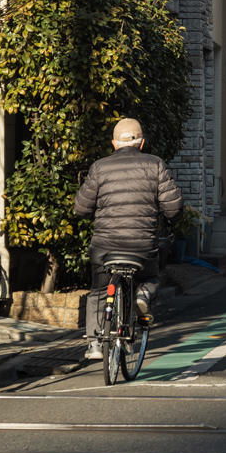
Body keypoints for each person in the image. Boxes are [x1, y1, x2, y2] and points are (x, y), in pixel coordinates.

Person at [73, 118, 183, 361]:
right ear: (142, 143)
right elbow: (173, 208)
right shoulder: (155, 165)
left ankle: (93, 344)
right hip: (141, 246)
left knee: (100, 290)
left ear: (113, 144)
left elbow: (81, 209)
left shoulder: (100, 167)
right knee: (151, 277)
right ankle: (141, 297)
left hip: (104, 247)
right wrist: (173, 222)